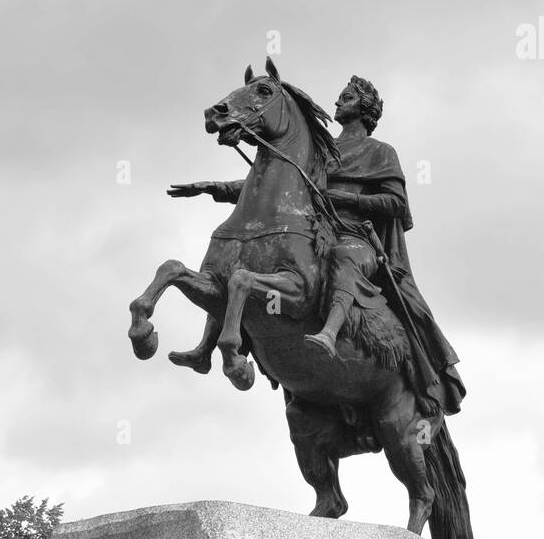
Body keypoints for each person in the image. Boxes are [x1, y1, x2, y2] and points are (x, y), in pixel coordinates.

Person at [168, 75, 466, 415]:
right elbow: (275, 186)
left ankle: (329, 331)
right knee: (240, 255)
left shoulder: (379, 152)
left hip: (354, 237)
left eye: (346, 98)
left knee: (342, 256)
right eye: (340, 97)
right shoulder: (320, 149)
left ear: (364, 109)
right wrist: (215, 188)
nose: (338, 103)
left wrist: (344, 196)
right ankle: (210, 345)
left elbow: (396, 204)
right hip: (312, 228)